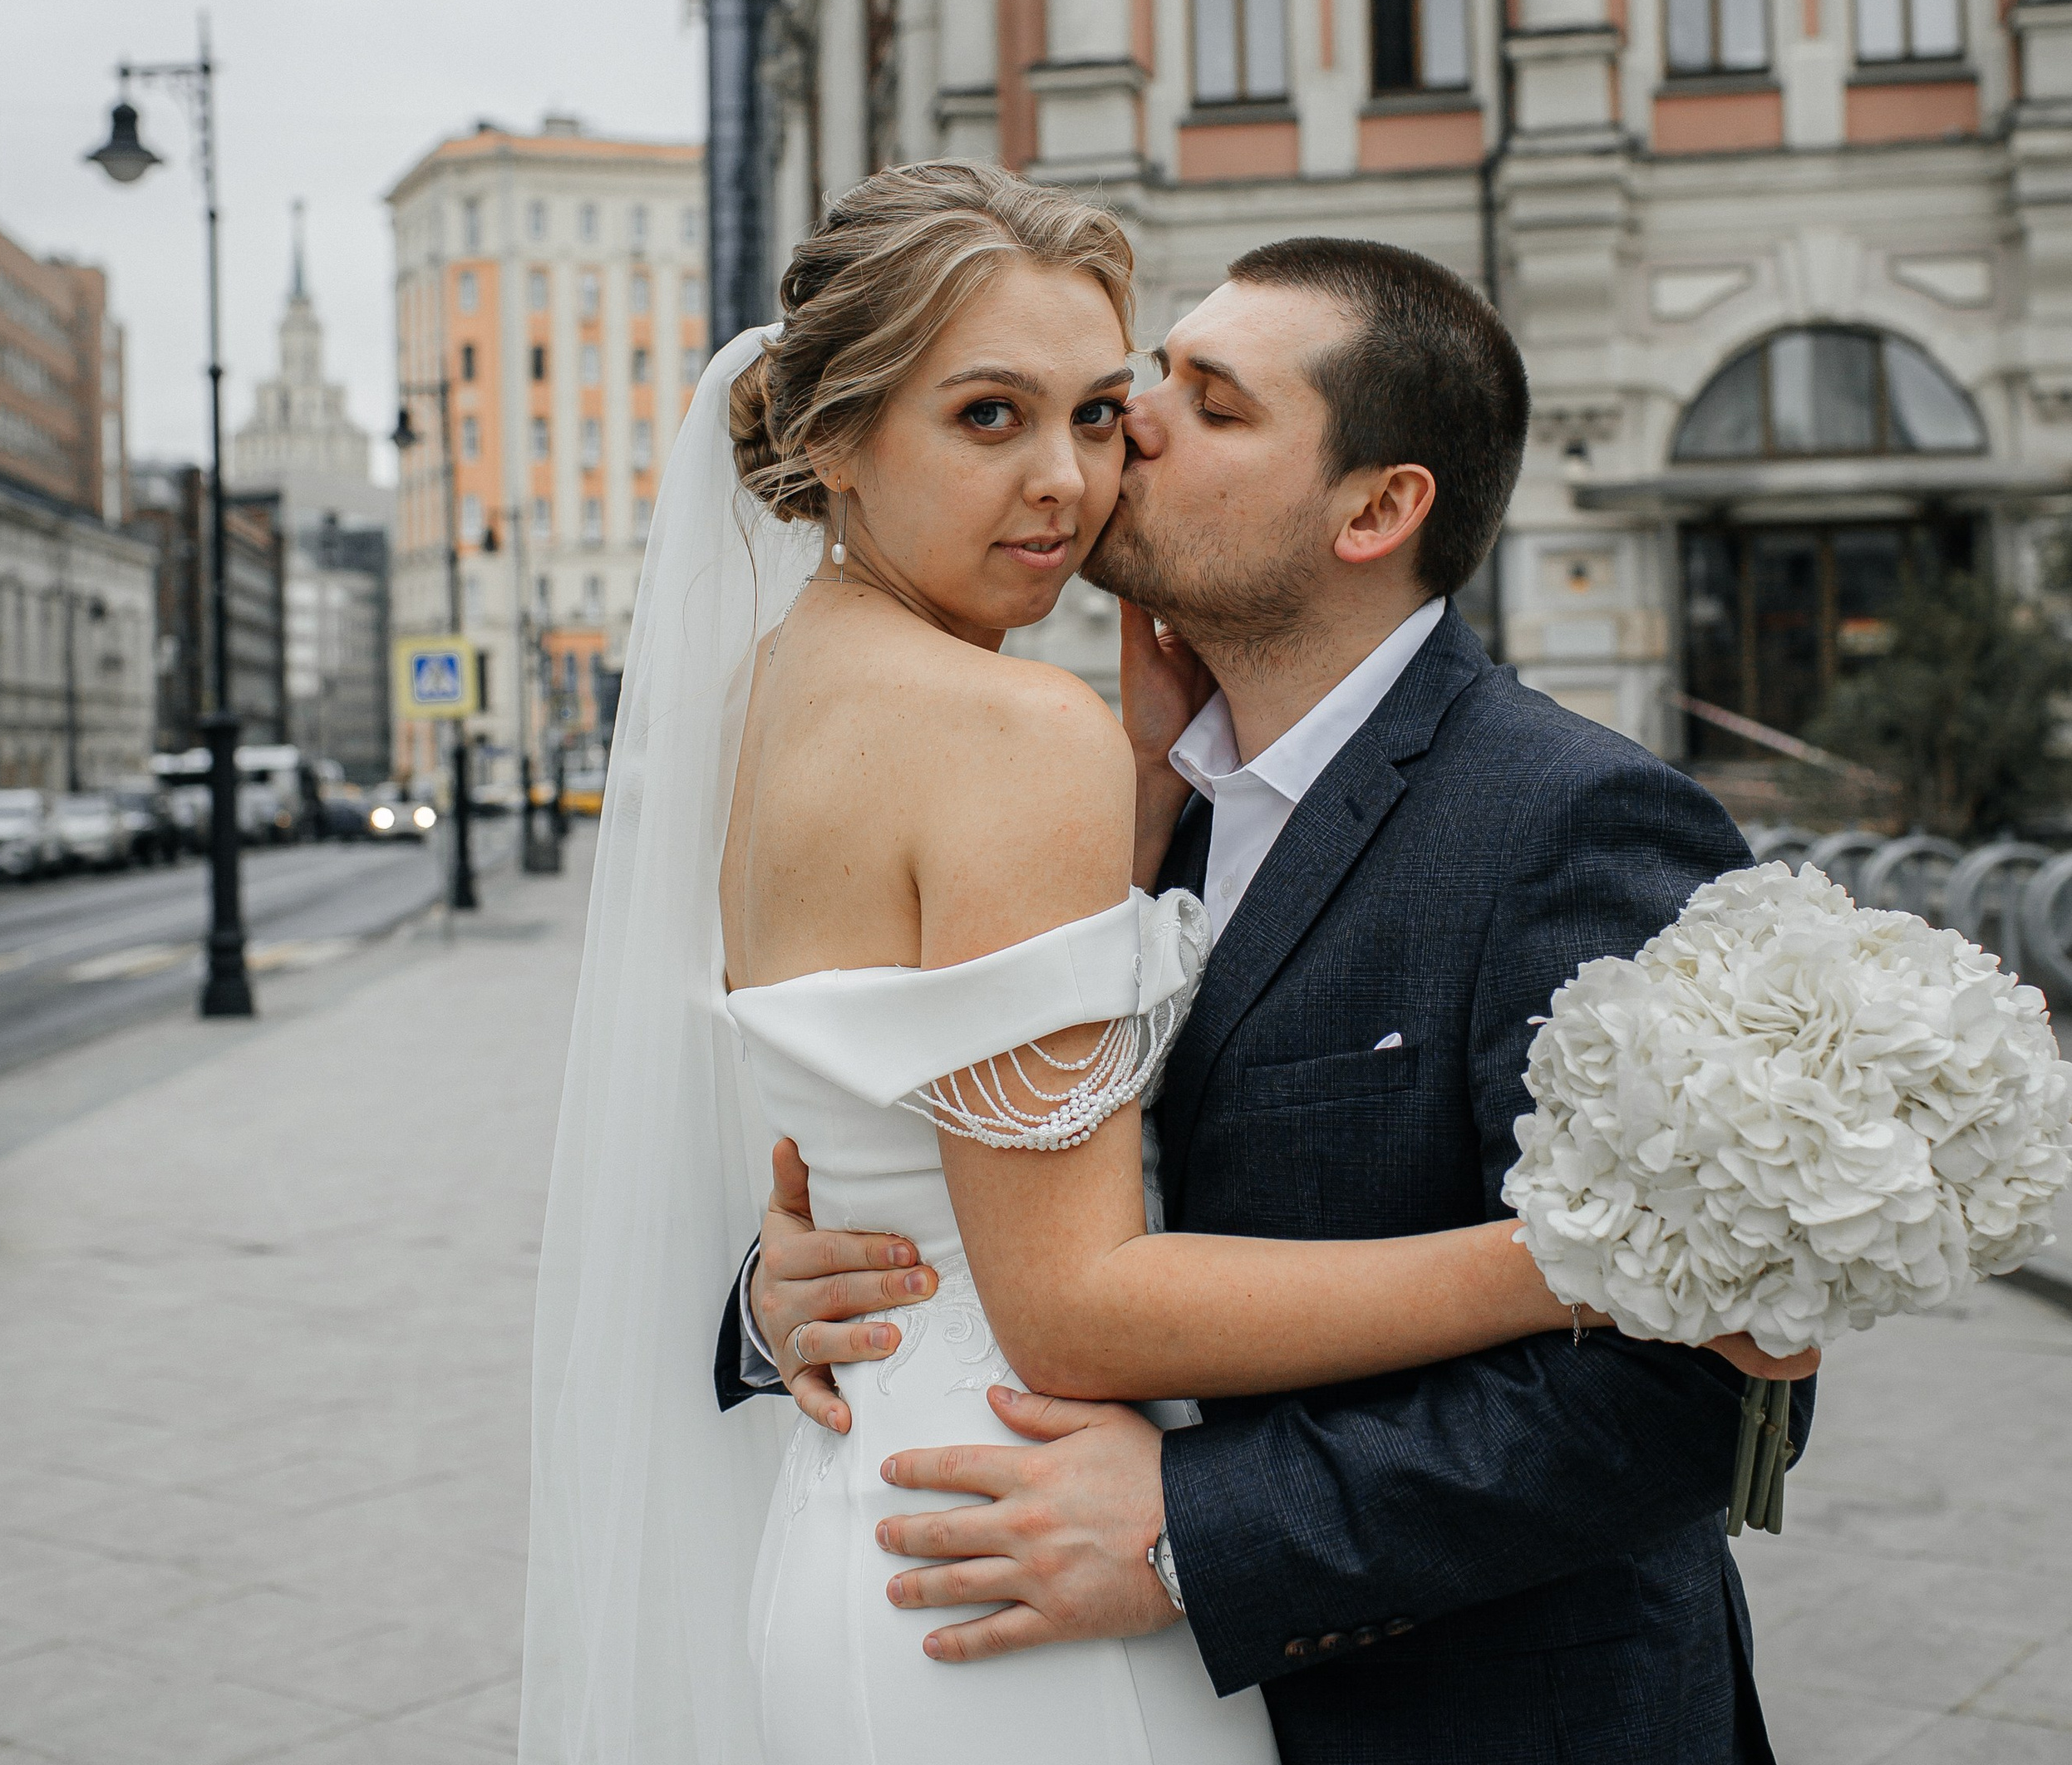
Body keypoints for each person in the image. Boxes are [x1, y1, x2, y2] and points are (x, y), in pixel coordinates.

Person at [717, 210, 1817, 1764]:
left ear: (1375, 507)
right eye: (1140, 381)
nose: (1125, 425)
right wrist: (799, 1295)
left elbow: (1694, 1385)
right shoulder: (1104, 784)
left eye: (1208, 404)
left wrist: (1194, 1530)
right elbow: (977, 1176)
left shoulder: (1570, 821)